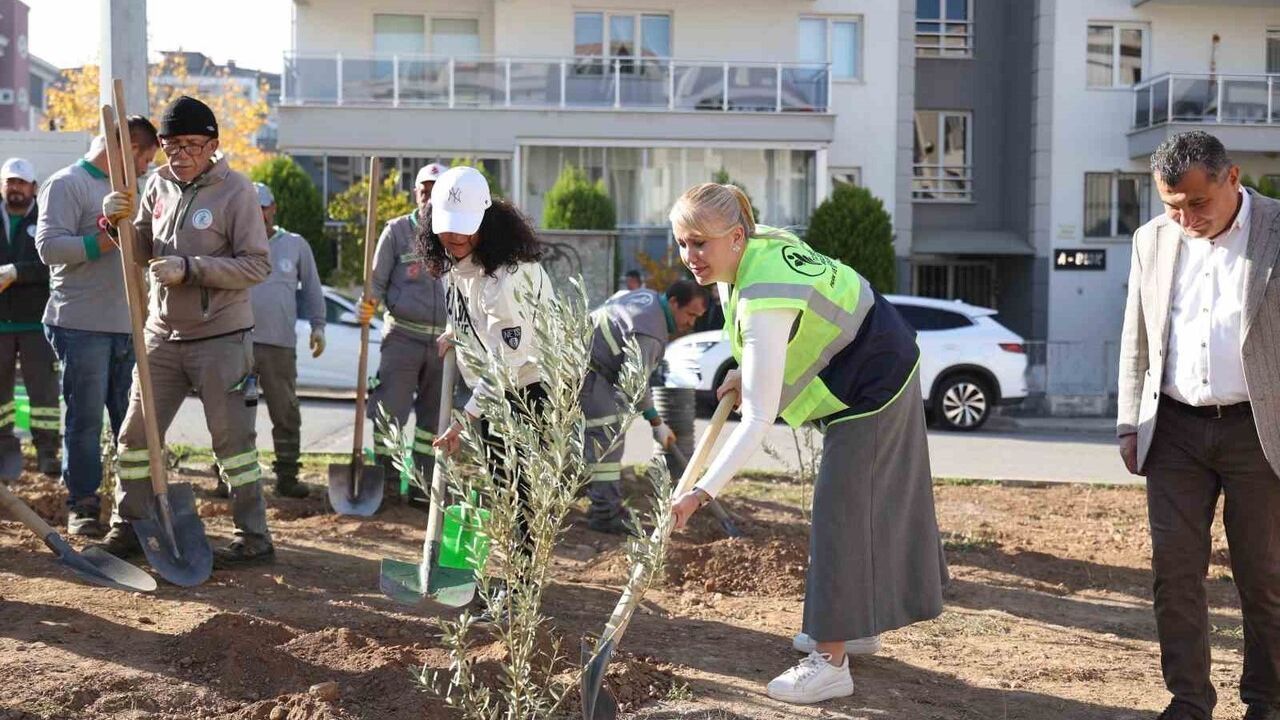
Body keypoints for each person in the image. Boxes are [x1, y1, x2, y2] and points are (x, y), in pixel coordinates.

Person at [665, 183, 947, 705]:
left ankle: (831, 663)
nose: (690, 257)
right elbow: (785, 342)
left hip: (875, 381)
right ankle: (854, 625)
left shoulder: (760, 294)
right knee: (856, 509)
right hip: (869, 363)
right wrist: (742, 373)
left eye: (700, 243)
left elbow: (757, 421)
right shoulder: (749, 258)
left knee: (840, 512)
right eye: (682, 243)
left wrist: (699, 494)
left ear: (735, 236)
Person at [1117, 130, 1280, 720]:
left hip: (1258, 432)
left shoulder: (1276, 231)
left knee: (1263, 578)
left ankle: (1266, 701)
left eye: (1197, 203)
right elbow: (1138, 335)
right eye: (1172, 205)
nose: (1185, 217)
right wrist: (1128, 423)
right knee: (1175, 574)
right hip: (1175, 430)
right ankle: (1188, 701)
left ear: (1231, 178)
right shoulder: (1151, 240)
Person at [100, 95, 273, 565]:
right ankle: (128, 525)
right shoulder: (156, 185)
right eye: (170, 144)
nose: (180, 154)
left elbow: (257, 266)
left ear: (213, 145)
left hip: (221, 336)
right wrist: (115, 223)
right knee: (135, 437)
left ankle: (254, 538)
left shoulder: (237, 192)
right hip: (162, 336)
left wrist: (190, 268)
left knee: (233, 444)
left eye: (191, 145)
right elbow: (139, 250)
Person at [35, 119, 159, 537]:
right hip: (81, 323)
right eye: (144, 158)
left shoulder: (135, 191)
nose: (145, 169)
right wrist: (104, 235)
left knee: (130, 422)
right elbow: (50, 248)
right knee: (85, 421)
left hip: (127, 324)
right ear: (125, 148)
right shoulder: (67, 184)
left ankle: (134, 506)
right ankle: (83, 504)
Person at [424, 166, 553, 553]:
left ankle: (522, 587)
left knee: (521, 492)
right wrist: (456, 331)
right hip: (496, 391)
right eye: (447, 227)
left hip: (531, 391)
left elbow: (508, 359)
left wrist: (466, 418)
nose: (455, 236)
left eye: (465, 227)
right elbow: (470, 311)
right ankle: (513, 575)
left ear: (487, 220)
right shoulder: (456, 264)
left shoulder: (508, 276)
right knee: (502, 486)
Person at [582, 279, 707, 533]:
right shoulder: (651, 330)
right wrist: (656, 422)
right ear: (674, 303)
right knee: (608, 438)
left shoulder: (647, 298)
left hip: (587, 365)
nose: (690, 323)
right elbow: (635, 382)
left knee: (599, 438)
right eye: (690, 314)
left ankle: (599, 502)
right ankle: (604, 514)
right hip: (589, 374)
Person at [356, 162, 449, 507]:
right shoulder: (396, 231)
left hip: (444, 344)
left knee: (432, 423)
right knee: (389, 412)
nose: (429, 198)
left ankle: (424, 488)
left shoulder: (456, 234)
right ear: (415, 193)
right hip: (402, 339)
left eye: (436, 192)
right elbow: (376, 281)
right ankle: (388, 482)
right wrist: (367, 306)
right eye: (424, 191)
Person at [247, 182, 325, 499]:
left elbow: (312, 290)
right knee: (234, 413)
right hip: (236, 342)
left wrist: (318, 327)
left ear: (273, 208)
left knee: (285, 411)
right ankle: (232, 478)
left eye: (262, 207)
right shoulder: (231, 243)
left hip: (278, 346)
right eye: (251, 208)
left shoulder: (294, 244)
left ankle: (287, 474)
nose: (258, 214)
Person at [0, 158, 59, 483]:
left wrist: (17, 272)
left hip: (37, 324)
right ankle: (4, 455)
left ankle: (48, 454)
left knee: (45, 396)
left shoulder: (45, 219)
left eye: (21, 183)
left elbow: (55, 265)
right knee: (0, 398)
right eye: (10, 182)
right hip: (0, 326)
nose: (15, 189)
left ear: (33, 188)